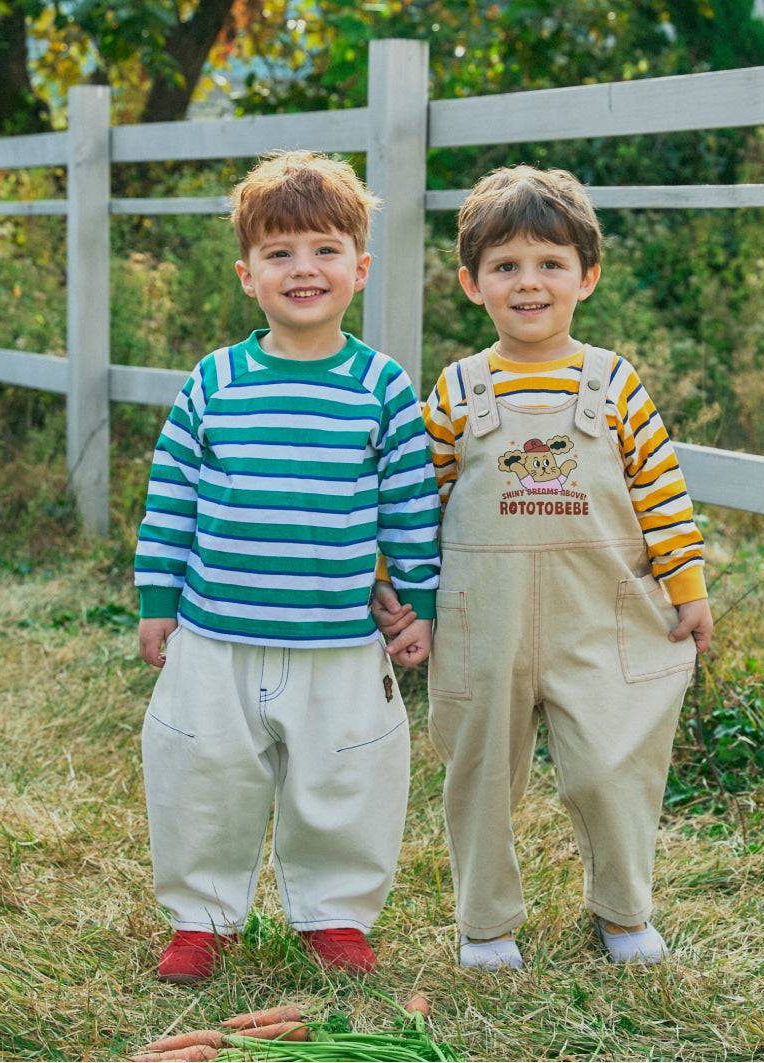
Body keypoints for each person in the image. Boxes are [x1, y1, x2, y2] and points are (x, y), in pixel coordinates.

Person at [373, 165, 713, 969]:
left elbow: (662, 491)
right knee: (481, 770)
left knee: (612, 765)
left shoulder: (615, 382)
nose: (529, 282)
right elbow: (422, 502)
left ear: (586, 276)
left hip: (600, 614)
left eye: (550, 263)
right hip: (480, 620)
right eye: (506, 266)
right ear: (471, 281)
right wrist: (406, 593)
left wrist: (687, 587)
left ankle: (623, 908)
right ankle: (485, 924)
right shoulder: (458, 390)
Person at [134, 150, 440, 984]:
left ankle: (334, 913)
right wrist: (157, 597)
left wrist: (420, 606)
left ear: (360, 267)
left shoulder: (381, 388)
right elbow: (173, 497)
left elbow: (410, 511)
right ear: (247, 274)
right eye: (279, 253)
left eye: (324, 249)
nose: (303, 268)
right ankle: (200, 918)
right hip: (216, 632)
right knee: (201, 772)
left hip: (337, 638)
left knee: (347, 777)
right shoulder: (215, 381)